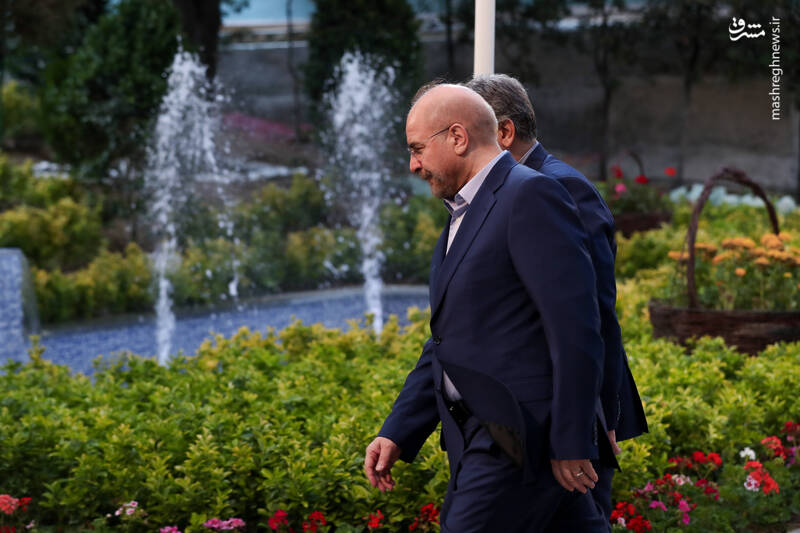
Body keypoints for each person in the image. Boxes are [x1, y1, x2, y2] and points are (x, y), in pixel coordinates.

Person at [364, 83, 616, 532]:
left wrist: (571, 440)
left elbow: (576, 329)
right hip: (488, 435)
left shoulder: (530, 195)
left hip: (517, 438)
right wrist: (399, 429)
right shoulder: (467, 207)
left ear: (458, 137)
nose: (413, 165)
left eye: (417, 149)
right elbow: (448, 338)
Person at [464, 73, 649, 518]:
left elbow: (595, 313)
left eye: (467, 136)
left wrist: (597, 419)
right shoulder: (500, 192)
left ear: (504, 132)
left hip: (574, 414)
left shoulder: (561, 187)